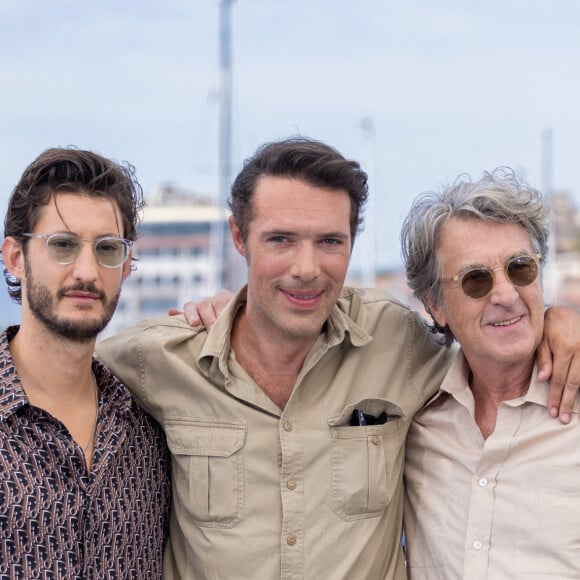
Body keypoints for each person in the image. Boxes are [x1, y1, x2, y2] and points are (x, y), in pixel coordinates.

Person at [97, 138, 580, 580]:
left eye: (329, 241)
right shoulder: (158, 358)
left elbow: (499, 326)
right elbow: (55, 365)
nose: (306, 269)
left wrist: (560, 319)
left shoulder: (399, 345)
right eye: (280, 239)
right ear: (240, 238)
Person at [401, 168, 580, 579]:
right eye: (476, 279)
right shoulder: (414, 416)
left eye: (520, 268)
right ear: (436, 305)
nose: (505, 295)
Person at [0, 148, 171, 578]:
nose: (86, 272)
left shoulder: (150, 428)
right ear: (15, 257)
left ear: (128, 264)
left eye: (108, 249)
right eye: (62, 245)